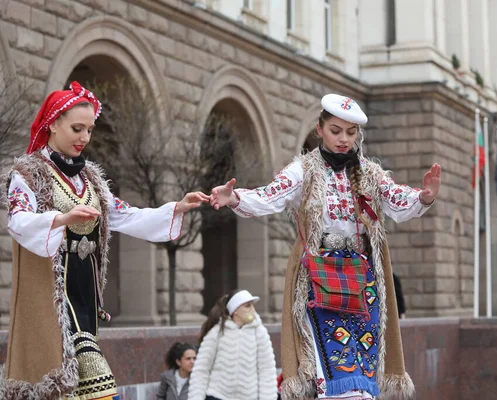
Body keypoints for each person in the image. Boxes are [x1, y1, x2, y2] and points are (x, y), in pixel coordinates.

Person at [209, 94, 441, 399]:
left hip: (364, 280)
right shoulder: (303, 170)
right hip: (319, 277)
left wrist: (423, 197)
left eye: (350, 132)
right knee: (331, 368)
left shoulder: (371, 174)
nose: (343, 139)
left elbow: (399, 201)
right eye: (335, 130)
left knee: (364, 367)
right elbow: (270, 196)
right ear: (320, 129)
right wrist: (235, 197)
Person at [0, 82, 209, 400]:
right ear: (53, 123)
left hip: (84, 293)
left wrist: (176, 208)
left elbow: (126, 216)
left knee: (84, 383)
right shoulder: (28, 174)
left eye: (89, 130)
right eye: (77, 128)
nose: (84, 137)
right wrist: (61, 219)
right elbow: (18, 222)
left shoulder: (91, 180)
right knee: (82, 381)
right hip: (50, 295)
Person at [188, 289, 277, 400]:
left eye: (252, 306)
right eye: (247, 306)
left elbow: (267, 371)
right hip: (217, 396)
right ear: (235, 310)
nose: (252, 310)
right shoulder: (217, 333)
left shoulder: (260, 333)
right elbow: (201, 369)